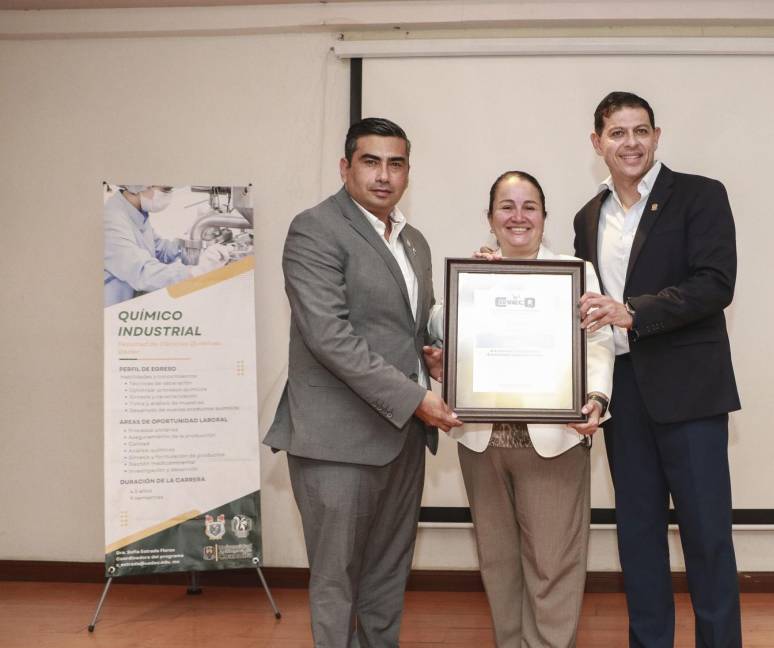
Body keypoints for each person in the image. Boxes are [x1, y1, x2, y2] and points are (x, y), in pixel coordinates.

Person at [262, 117, 461, 648]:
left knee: (386, 580)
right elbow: (330, 337)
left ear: (408, 172)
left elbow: (406, 329)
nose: (383, 175)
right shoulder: (315, 229)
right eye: (370, 161)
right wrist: (417, 397)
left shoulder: (412, 240)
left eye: (395, 164)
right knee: (337, 584)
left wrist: (441, 362)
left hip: (402, 440)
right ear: (345, 166)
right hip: (337, 441)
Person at [574, 92, 743, 647]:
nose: (631, 142)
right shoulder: (586, 216)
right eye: (617, 133)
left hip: (690, 394)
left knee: (707, 537)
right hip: (623, 398)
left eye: (640, 130)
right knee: (637, 538)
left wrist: (635, 311)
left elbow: (716, 283)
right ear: (597, 143)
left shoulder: (699, 195)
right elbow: (583, 303)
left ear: (657, 135)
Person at [433, 171, 614, 648]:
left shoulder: (575, 271)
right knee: (497, 560)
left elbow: (598, 342)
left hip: (554, 439)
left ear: (544, 216)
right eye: (506, 207)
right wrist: (466, 285)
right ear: (490, 218)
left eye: (529, 206)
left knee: (553, 561)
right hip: (481, 440)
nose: (518, 216)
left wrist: (595, 398)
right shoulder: (471, 271)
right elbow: (438, 326)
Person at [103, 185, 229, 306]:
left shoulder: (134, 210)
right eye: (166, 189)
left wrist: (192, 239)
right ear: (141, 185)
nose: (168, 195)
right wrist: (195, 272)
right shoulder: (111, 219)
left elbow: (160, 250)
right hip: (114, 312)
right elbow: (143, 272)